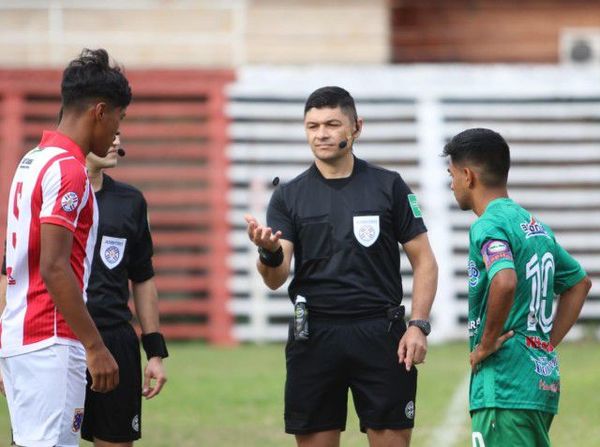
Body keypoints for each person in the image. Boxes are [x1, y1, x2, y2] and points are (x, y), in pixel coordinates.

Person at [244, 86, 438, 447]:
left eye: (332, 124)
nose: (321, 134)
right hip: (315, 336)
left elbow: (424, 259)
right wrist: (268, 252)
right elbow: (275, 278)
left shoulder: (389, 186)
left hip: (381, 334)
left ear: (356, 127)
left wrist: (418, 325)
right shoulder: (288, 196)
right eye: (312, 126)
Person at [0, 48, 131, 447]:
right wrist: (96, 346)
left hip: (21, 336)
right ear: (100, 110)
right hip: (51, 340)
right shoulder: (69, 169)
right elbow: (54, 267)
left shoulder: (32, 160)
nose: (115, 133)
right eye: (119, 120)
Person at [443, 128, 592, 447]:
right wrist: (544, 345)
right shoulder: (534, 226)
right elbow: (579, 284)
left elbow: (505, 279)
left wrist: (485, 343)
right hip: (538, 381)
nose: (451, 184)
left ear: (468, 176)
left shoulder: (488, 224)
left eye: (451, 175)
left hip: (505, 385)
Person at [81, 132, 168, 446]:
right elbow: (11, 276)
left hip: (115, 341)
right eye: (111, 132)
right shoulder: (46, 193)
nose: (117, 141)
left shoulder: (130, 201)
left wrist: (155, 353)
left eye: (121, 133)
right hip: (57, 340)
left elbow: (143, 278)